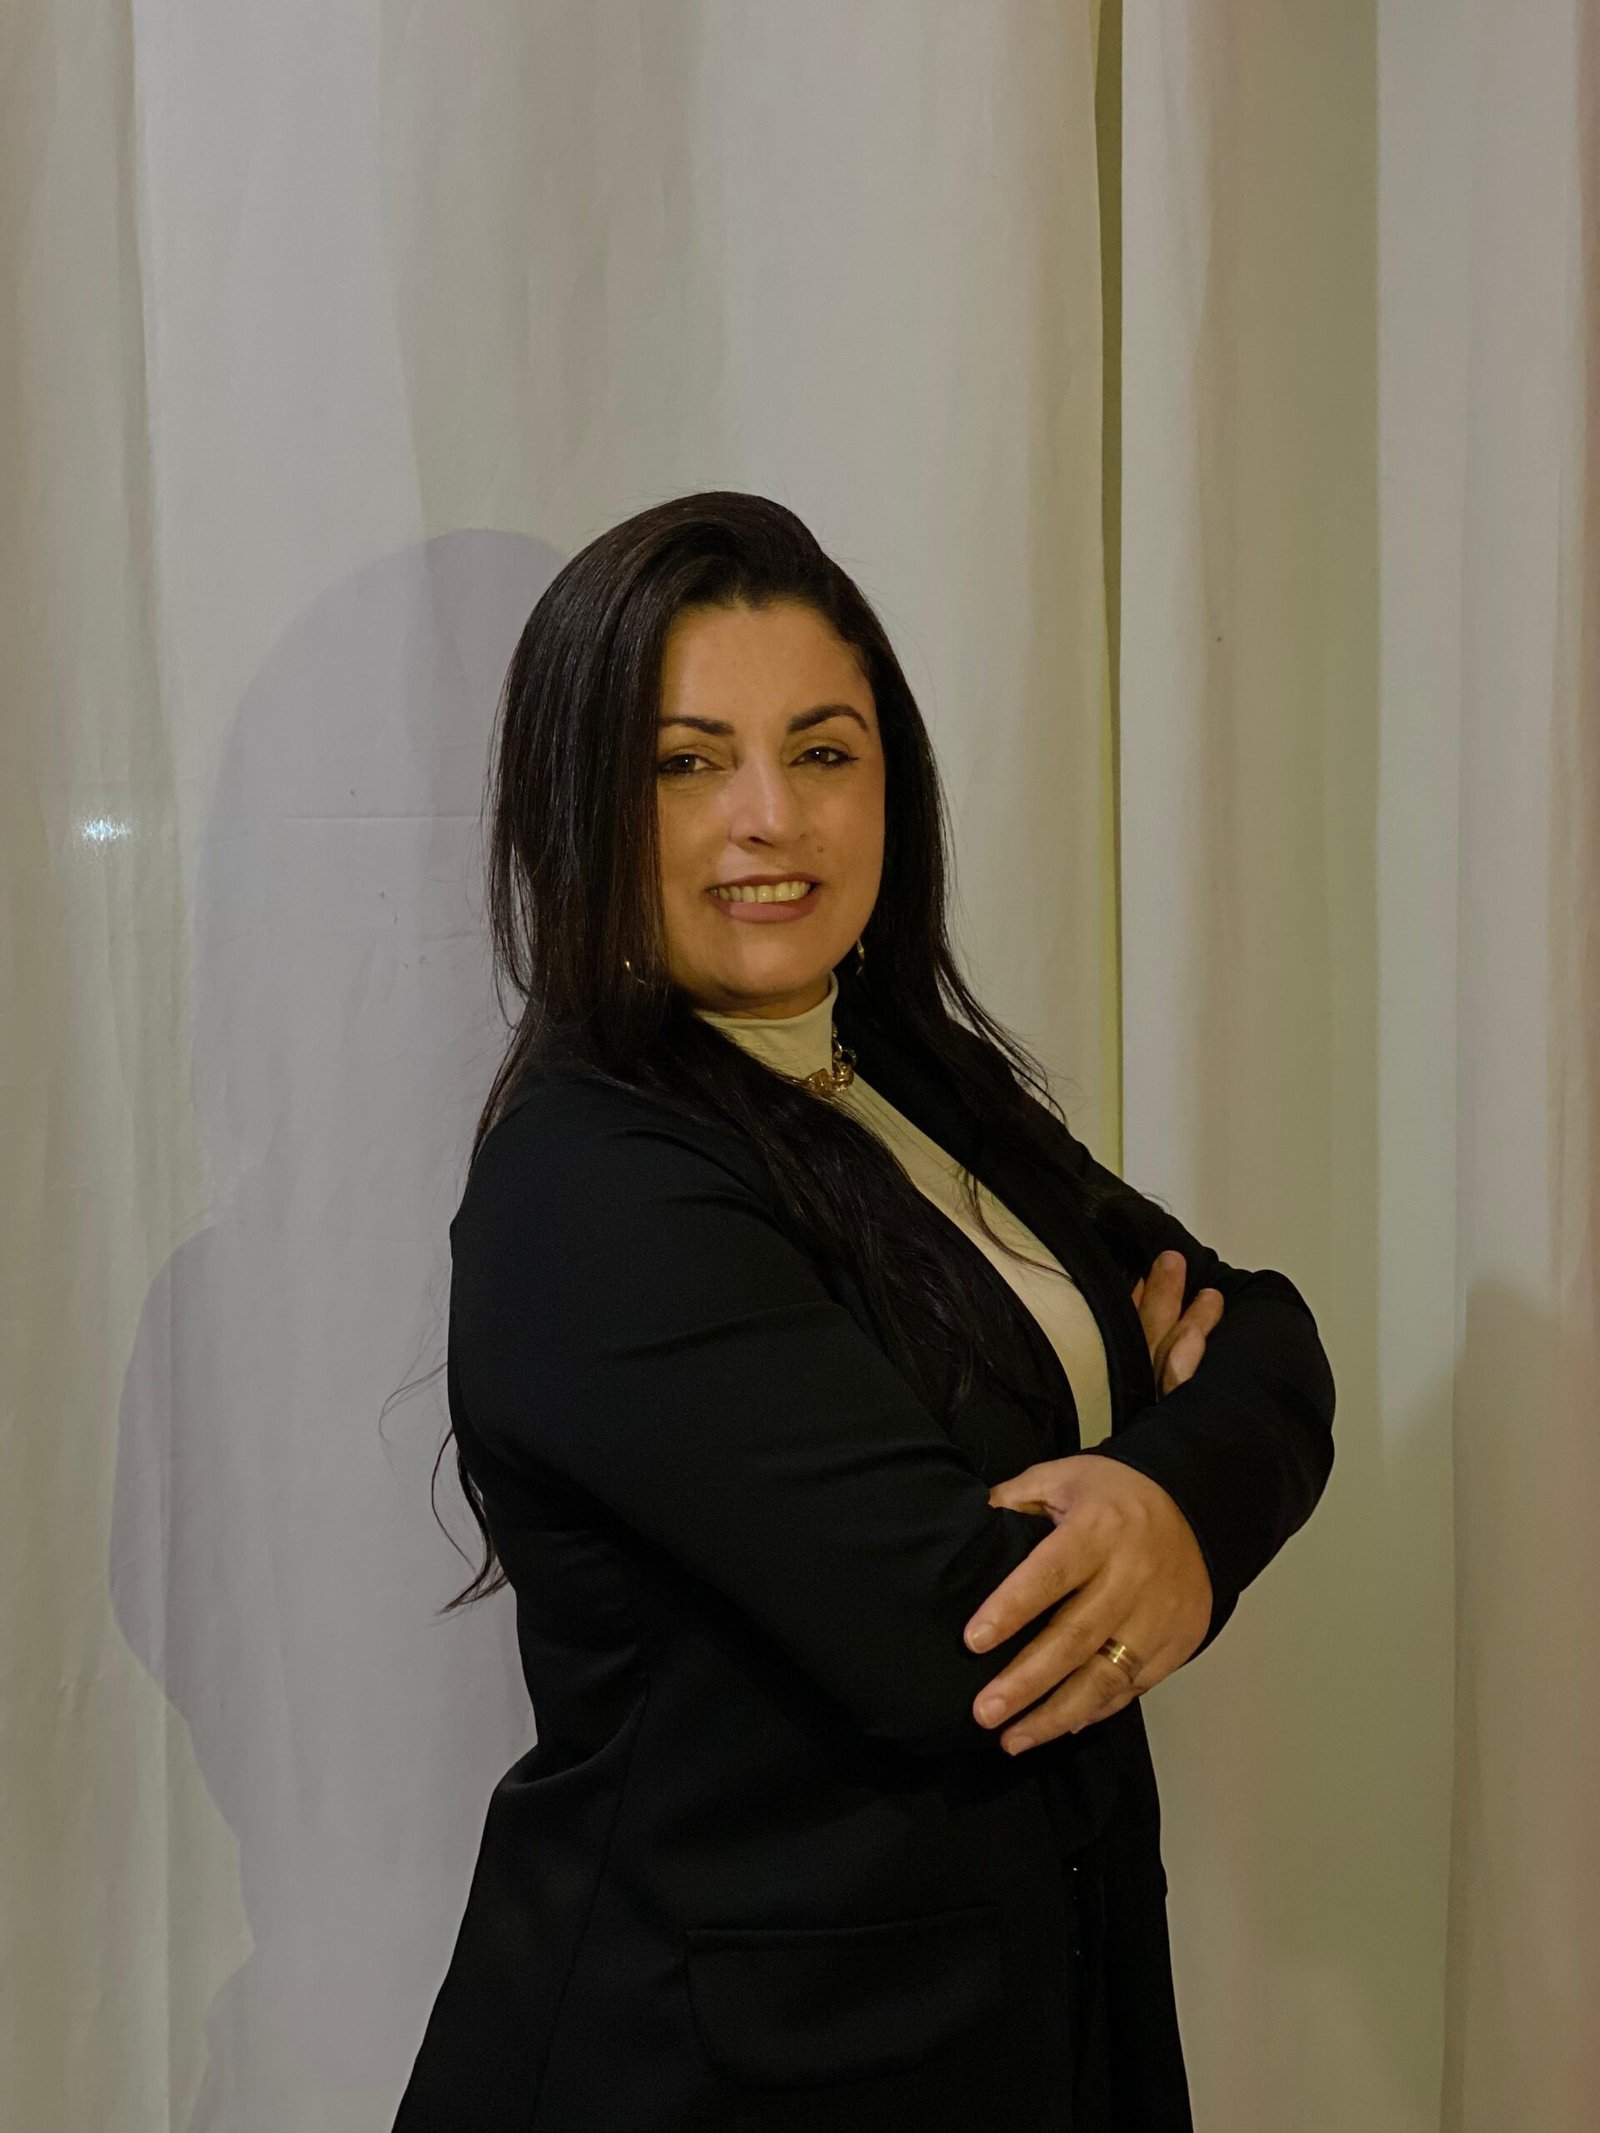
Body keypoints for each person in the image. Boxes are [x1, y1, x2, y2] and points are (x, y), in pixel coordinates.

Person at [391, 492, 1336, 2133]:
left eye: (823, 751)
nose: (772, 817)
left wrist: (1174, 1498)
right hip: (714, 2073)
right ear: (580, 801)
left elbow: (1262, 1331)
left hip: (1031, 2022)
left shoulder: (909, 1072)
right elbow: (960, 1631)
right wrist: (1170, 1488)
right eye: (687, 763)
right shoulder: (591, 1190)